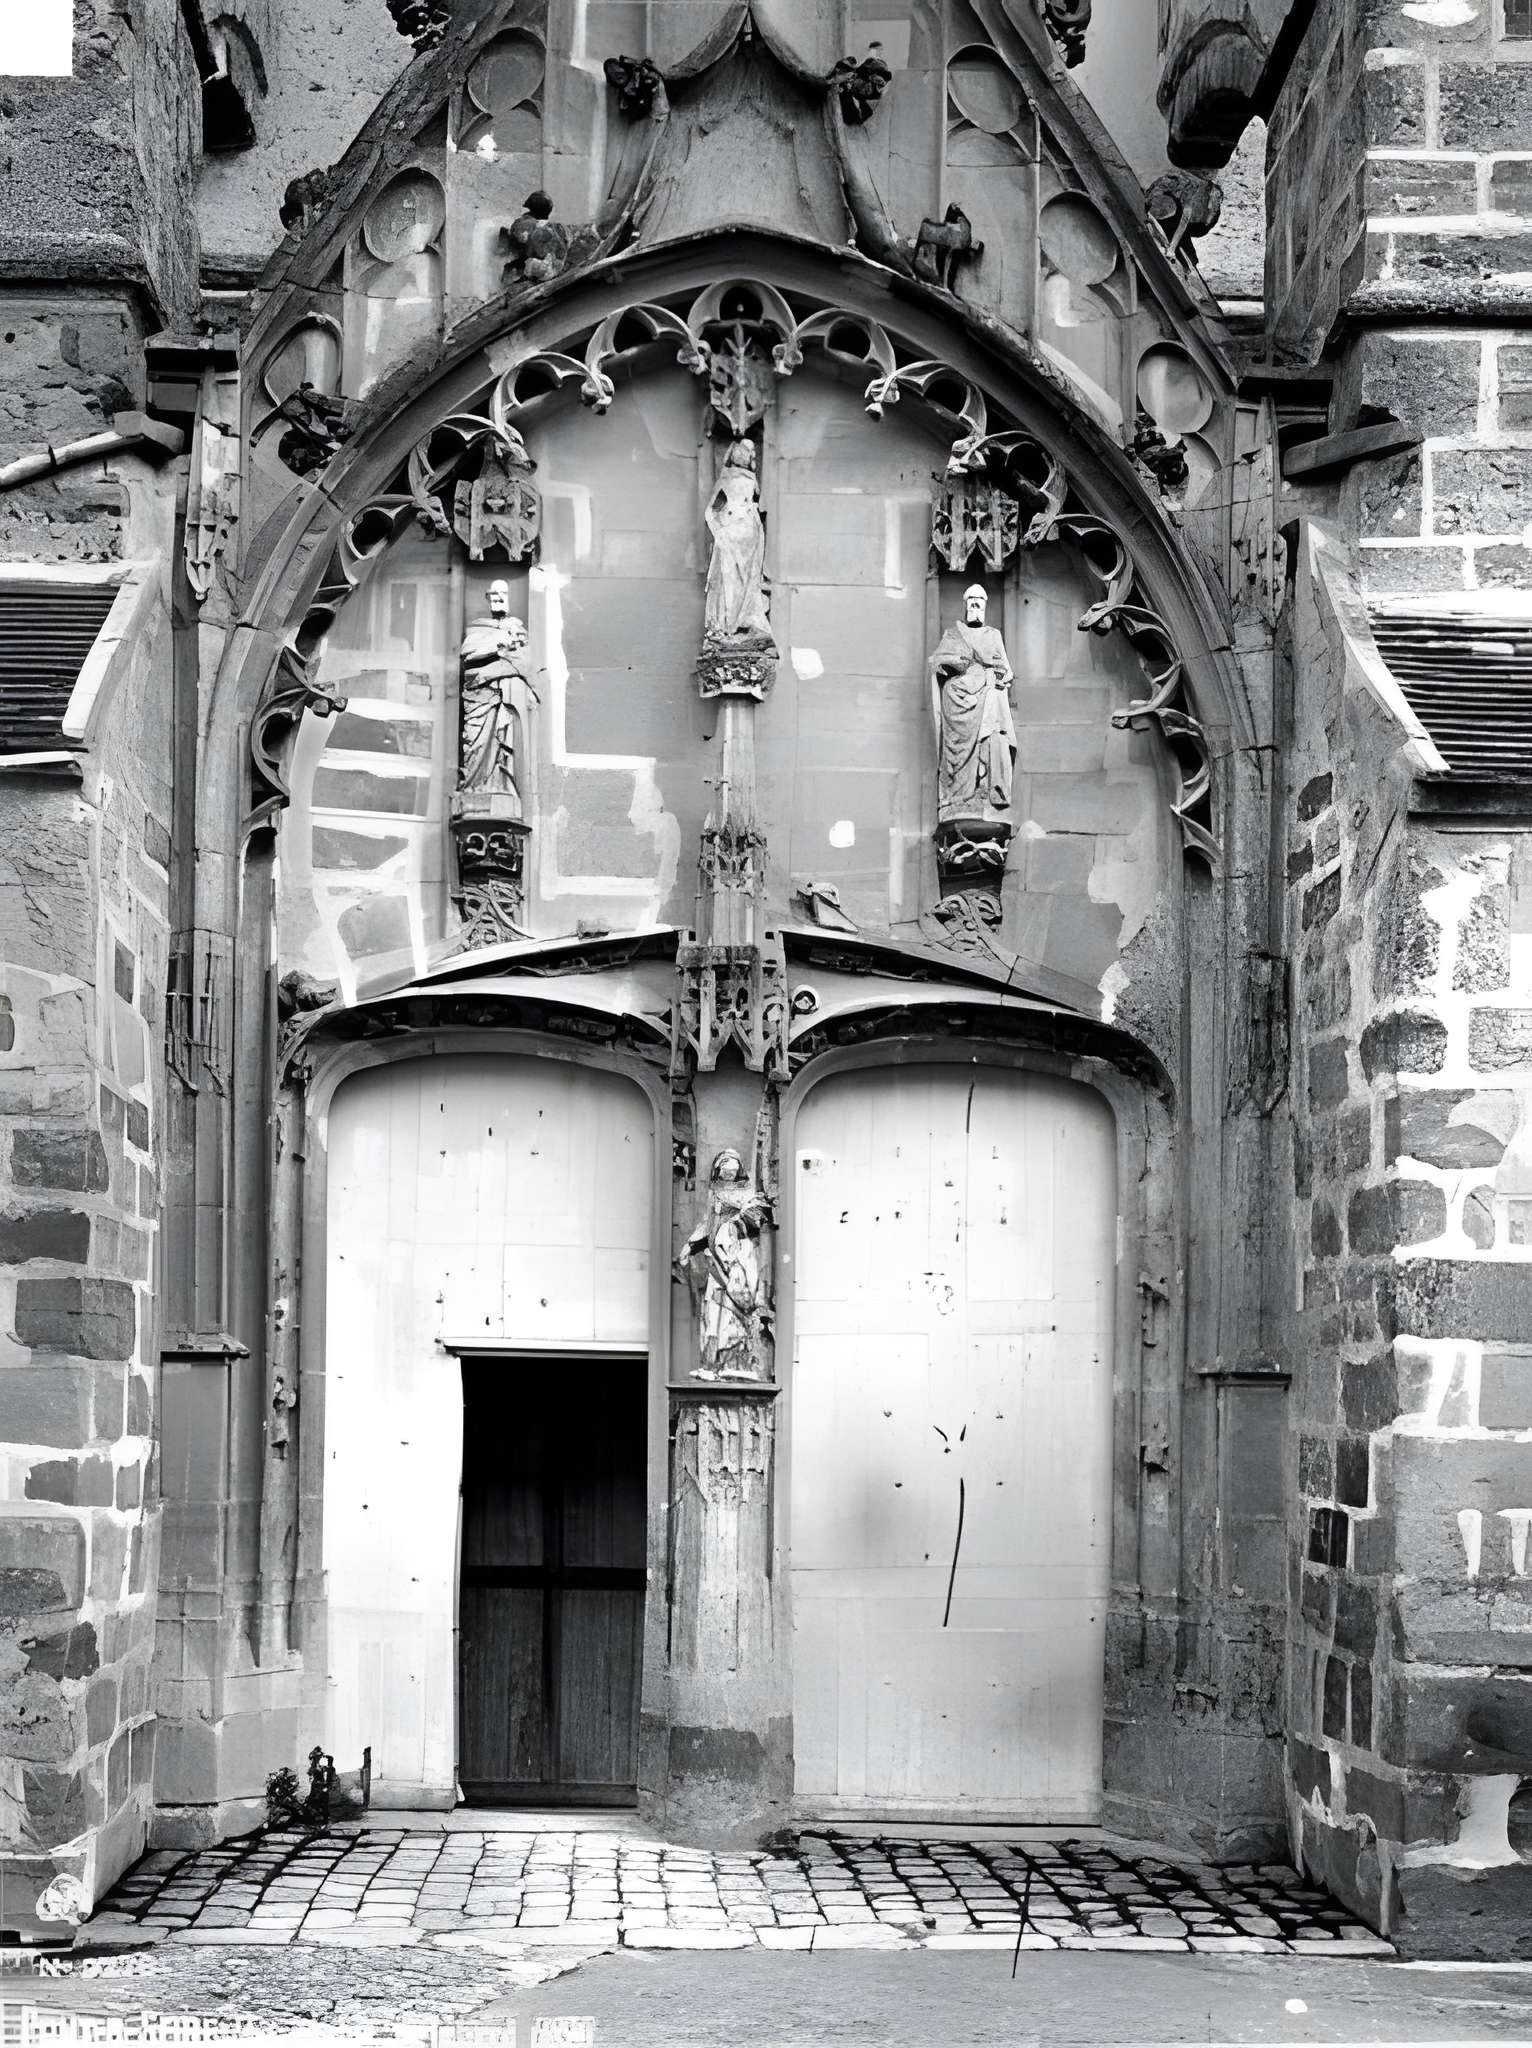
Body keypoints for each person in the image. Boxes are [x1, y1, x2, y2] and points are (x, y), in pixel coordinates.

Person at [928, 583, 1016, 821]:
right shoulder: (954, 633)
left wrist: (997, 676)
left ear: (985, 606)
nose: (975, 605)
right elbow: (937, 662)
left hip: (986, 691)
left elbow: (1007, 672)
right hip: (956, 695)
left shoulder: (993, 635)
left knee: (994, 711)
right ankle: (955, 795)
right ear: (966, 606)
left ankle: (984, 788)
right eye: (971, 601)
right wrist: (947, 664)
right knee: (954, 743)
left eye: (979, 601)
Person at [458, 580, 535, 807]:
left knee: (503, 745)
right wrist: (498, 645)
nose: (499, 598)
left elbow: (526, 663)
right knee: (476, 746)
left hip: (504, 701)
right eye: (494, 594)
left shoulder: (518, 629)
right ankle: (472, 791)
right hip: (479, 699)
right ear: (487, 597)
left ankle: (501, 789)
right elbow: (467, 654)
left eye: (503, 594)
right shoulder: (478, 628)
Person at [703, 439, 772, 643]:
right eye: (749, 453)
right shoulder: (727, 479)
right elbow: (711, 511)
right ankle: (727, 625)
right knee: (728, 578)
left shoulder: (750, 480)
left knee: (745, 579)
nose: (752, 457)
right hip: (733, 534)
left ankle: (738, 622)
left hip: (749, 535)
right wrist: (719, 532)